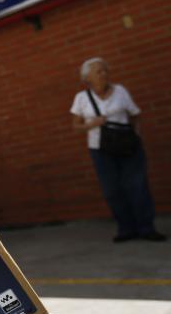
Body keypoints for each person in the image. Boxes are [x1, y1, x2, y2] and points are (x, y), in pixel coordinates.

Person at [70, 57, 166, 243]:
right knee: (111, 190)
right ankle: (126, 228)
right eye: (98, 71)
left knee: (138, 187)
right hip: (100, 150)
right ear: (87, 78)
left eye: (105, 70)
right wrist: (92, 124)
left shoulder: (120, 91)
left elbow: (135, 115)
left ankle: (147, 228)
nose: (104, 74)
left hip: (129, 147)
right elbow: (75, 126)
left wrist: (136, 135)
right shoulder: (81, 98)